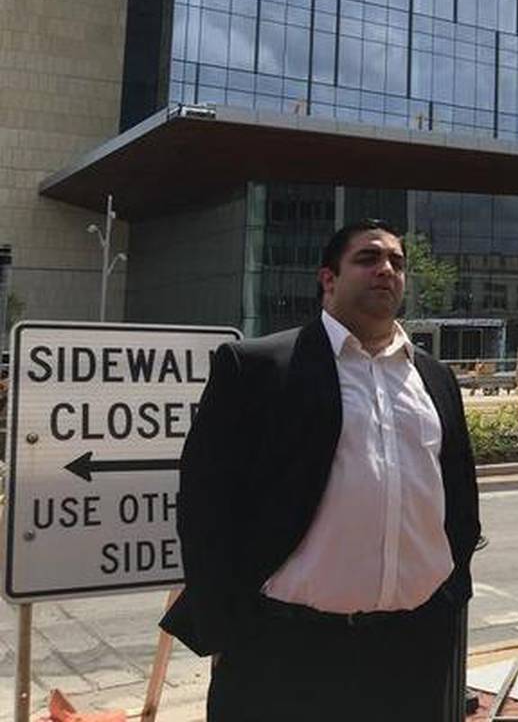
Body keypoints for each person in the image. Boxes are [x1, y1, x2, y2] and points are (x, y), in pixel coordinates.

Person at [162, 219, 482, 721]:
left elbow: (460, 500)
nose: (386, 270)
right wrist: (226, 631)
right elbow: (205, 508)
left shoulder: (435, 378)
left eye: (397, 263)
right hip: (287, 652)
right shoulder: (258, 368)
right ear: (327, 279)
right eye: (368, 258)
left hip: (416, 651)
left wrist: (451, 591)